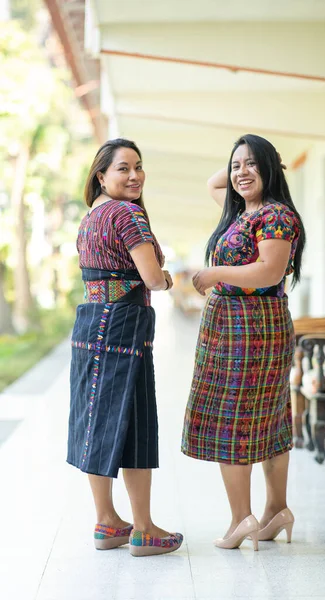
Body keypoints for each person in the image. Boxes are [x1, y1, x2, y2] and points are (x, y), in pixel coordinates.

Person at [181, 134, 305, 551]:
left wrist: (215, 274)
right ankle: (275, 511)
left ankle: (241, 519)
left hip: (251, 326)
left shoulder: (275, 215)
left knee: (233, 420)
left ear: (270, 169)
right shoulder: (242, 212)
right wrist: (246, 162)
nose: (240, 173)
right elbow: (215, 184)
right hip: (236, 325)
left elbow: (269, 272)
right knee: (268, 417)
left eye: (252, 165)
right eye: (236, 165)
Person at [67, 138, 183, 557]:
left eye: (138, 167)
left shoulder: (91, 217)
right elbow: (152, 279)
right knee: (135, 423)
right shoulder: (129, 214)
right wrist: (168, 277)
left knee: (93, 419)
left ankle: (106, 521)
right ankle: (145, 530)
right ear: (101, 175)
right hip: (124, 328)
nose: (134, 176)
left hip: (90, 322)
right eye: (123, 168)